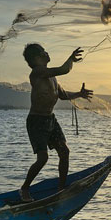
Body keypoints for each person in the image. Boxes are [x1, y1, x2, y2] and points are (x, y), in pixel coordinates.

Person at [19, 43, 93, 202]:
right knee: (42, 158)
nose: (47, 53)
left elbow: (63, 95)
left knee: (64, 152)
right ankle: (25, 188)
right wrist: (71, 59)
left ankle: (61, 188)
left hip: (50, 119)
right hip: (36, 121)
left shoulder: (51, 77)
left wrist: (79, 94)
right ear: (36, 58)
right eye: (43, 52)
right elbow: (64, 69)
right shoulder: (37, 73)